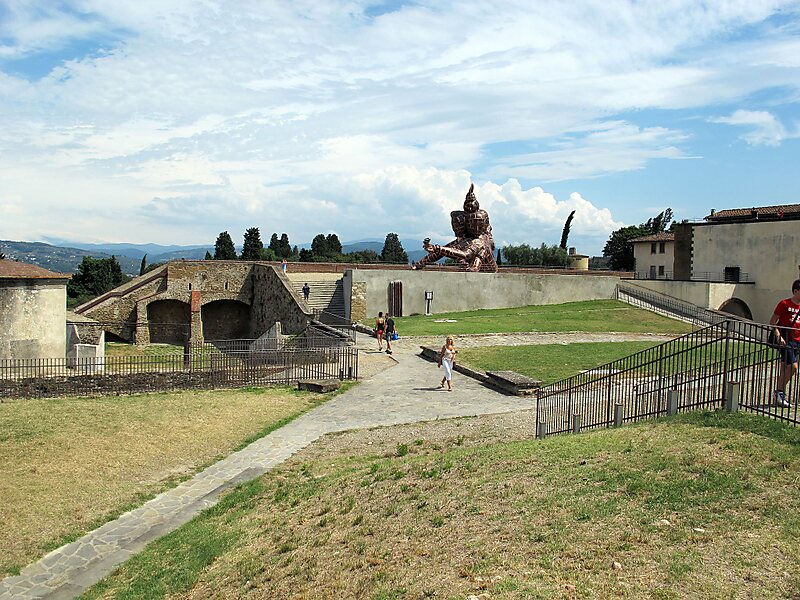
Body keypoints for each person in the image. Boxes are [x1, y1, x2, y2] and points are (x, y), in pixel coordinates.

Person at [769, 278, 800, 407]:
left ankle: (780, 395)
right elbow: (772, 321)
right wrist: (778, 336)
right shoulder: (784, 304)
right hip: (786, 340)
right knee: (793, 367)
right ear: (796, 291)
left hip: (798, 340)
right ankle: (779, 392)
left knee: (785, 368)